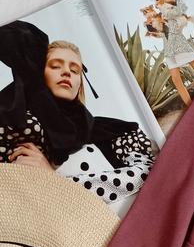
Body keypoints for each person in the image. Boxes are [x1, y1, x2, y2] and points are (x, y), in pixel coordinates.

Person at [0, 19, 157, 204]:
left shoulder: (111, 130)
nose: (67, 72)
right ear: (40, 74)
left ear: (80, 83)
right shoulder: (20, 125)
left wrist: (55, 181)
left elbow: (149, 172)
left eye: (75, 70)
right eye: (55, 66)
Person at [150, 0, 194, 106]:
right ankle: (190, 105)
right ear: (159, 0)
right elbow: (162, 32)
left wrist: (163, 7)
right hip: (169, 51)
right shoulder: (160, 16)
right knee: (176, 80)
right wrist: (153, 29)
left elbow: (174, 14)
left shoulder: (177, 9)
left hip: (181, 46)